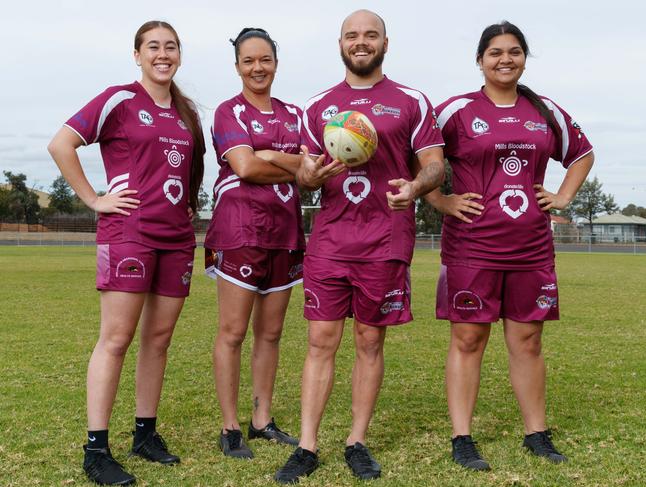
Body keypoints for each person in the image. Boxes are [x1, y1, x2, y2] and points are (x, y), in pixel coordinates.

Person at [274, 9, 445, 483]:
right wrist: (308, 174)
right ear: (340, 44)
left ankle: (357, 440)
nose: (361, 42)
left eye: (371, 35)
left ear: (386, 44)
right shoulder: (318, 106)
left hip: (385, 240)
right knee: (320, 341)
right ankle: (307, 446)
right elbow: (304, 174)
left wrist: (414, 187)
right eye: (353, 35)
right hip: (331, 240)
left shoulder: (411, 101)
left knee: (370, 341)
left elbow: (435, 164)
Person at [426, 21, 594, 471]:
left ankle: (536, 433)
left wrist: (562, 197)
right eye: (495, 52)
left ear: (524, 57)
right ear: (480, 60)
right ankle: (462, 436)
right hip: (472, 245)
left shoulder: (544, 110)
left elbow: (582, 154)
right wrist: (440, 199)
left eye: (514, 52)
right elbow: (417, 158)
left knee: (528, 340)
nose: (505, 59)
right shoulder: (456, 111)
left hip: (531, 246)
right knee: (468, 338)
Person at [47, 21, 205, 486]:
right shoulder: (119, 99)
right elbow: (61, 145)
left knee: (159, 340)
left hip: (176, 238)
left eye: (170, 47)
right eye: (153, 47)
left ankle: (145, 434)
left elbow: (189, 169)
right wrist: (95, 199)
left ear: (179, 54)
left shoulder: (185, 112)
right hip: (129, 234)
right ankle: (96, 449)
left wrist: (189, 202)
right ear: (137, 55)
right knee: (116, 339)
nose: (163, 54)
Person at [204, 28, 305, 459]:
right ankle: (229, 427)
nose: (257, 68)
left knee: (271, 333)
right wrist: (288, 164)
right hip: (240, 230)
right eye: (248, 61)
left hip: (285, 231)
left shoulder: (296, 114)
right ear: (238, 67)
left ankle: (261, 420)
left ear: (276, 63)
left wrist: (270, 157)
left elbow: (316, 166)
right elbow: (244, 167)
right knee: (232, 332)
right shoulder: (229, 112)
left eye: (265, 59)